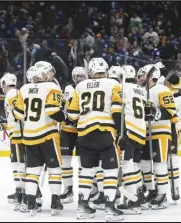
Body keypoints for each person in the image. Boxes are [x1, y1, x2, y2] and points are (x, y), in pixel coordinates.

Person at [67, 57, 124, 221]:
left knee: (87, 171)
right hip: (105, 131)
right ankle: (110, 207)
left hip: (84, 133)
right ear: (105, 70)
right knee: (110, 170)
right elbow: (117, 110)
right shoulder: (113, 84)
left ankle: (83, 207)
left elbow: (72, 115)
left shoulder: (80, 86)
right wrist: (121, 132)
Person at [13, 61, 67, 216]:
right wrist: (64, 116)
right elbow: (52, 111)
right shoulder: (52, 87)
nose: (51, 75)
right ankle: (55, 201)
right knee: (54, 169)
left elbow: (18, 114)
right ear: (45, 73)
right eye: (49, 72)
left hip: (29, 136)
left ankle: (31, 202)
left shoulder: (23, 89)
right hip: (47, 135)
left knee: (32, 171)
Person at [139, 64, 178, 210]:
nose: (141, 78)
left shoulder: (162, 89)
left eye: (143, 75)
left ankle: (162, 195)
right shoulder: (142, 91)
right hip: (145, 133)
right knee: (145, 164)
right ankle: (152, 191)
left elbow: (171, 111)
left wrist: (155, 112)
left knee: (159, 164)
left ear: (152, 76)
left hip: (160, 132)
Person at [116, 65, 146, 215]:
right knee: (134, 165)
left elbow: (118, 109)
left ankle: (133, 200)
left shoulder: (122, 87)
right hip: (141, 132)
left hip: (129, 131)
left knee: (127, 164)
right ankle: (137, 197)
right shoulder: (142, 90)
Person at [0, 73, 28, 211]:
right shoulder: (13, 94)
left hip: (18, 135)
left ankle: (23, 193)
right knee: (16, 164)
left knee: (20, 165)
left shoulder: (14, 93)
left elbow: (21, 114)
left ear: (5, 83)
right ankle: (19, 191)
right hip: (15, 134)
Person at [60, 66, 87, 204]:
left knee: (85, 162)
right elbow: (65, 107)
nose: (80, 79)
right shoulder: (68, 89)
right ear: (73, 77)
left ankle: (87, 191)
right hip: (67, 130)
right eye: (78, 76)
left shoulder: (88, 88)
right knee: (65, 161)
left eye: (82, 76)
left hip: (83, 129)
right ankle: (68, 189)